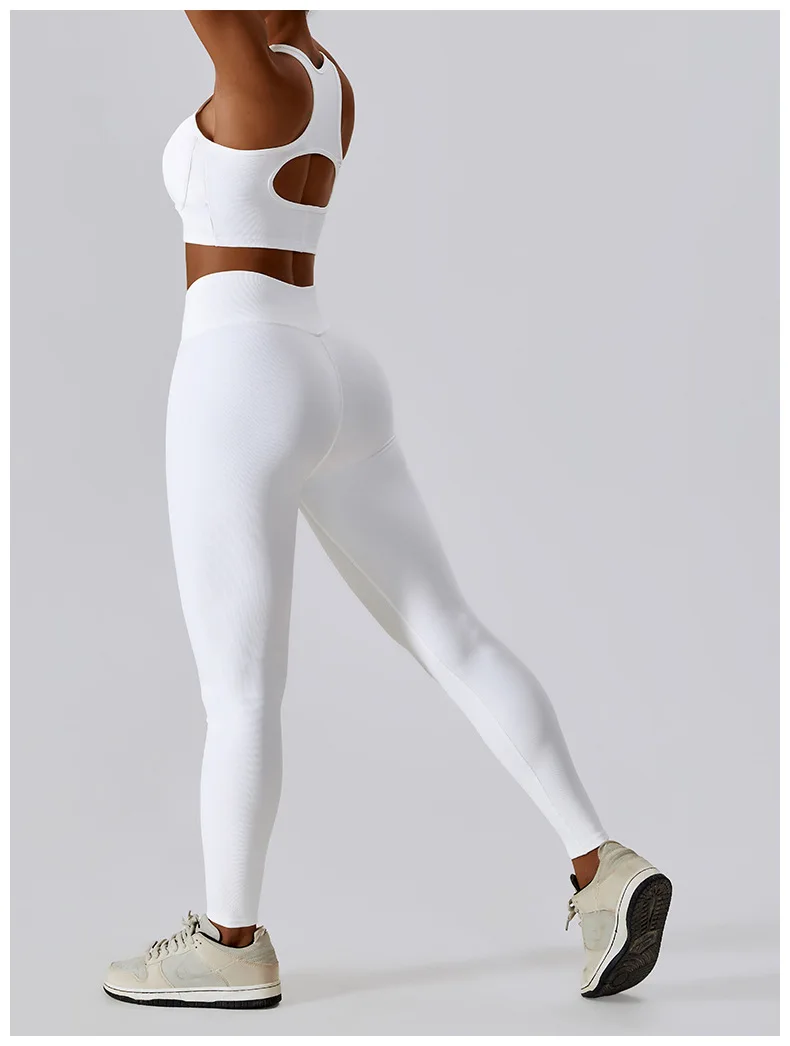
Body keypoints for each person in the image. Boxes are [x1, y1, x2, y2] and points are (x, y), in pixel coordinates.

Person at [103, 10, 671, 1009]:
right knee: (452, 631)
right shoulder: (328, 78)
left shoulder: (261, 78)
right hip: (333, 373)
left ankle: (229, 943)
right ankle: (600, 863)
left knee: (239, 694)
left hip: (240, 373)